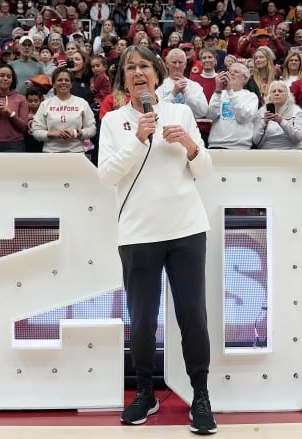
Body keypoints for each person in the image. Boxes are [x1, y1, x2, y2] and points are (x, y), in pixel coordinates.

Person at [97, 45, 216, 435]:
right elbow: (107, 176)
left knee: (192, 316)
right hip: (138, 233)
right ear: (123, 79)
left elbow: (205, 170)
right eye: (130, 68)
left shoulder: (181, 112)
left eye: (144, 65)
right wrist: (138, 139)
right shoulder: (114, 121)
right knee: (143, 319)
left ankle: (200, 395)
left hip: (185, 228)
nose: (137, 72)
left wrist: (190, 145)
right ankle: (145, 393)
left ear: (158, 73)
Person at [32, 67, 96, 154]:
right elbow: (36, 131)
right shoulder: (45, 104)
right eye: (59, 80)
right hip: (51, 153)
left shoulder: (82, 103)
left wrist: (77, 132)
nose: (63, 82)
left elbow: (92, 129)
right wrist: (53, 134)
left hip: (76, 153)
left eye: (67, 80)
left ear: (71, 84)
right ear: (53, 84)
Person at [206, 62, 259, 149]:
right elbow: (211, 115)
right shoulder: (220, 94)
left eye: (236, 72)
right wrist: (218, 90)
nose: (232, 74)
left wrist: (230, 92)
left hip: (240, 147)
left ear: (245, 78)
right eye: (230, 72)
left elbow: (243, 117)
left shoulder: (251, 97)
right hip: (216, 144)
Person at [155, 48, 208, 119]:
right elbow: (156, 110)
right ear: (167, 64)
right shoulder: (159, 86)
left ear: (185, 65)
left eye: (180, 62)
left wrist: (186, 93)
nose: (177, 66)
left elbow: (203, 111)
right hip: (166, 126)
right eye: (174, 62)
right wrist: (173, 93)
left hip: (188, 127)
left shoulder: (194, 86)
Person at [252, 80, 302, 150]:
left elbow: (298, 137)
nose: (276, 93)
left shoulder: (296, 111)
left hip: (291, 151)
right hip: (267, 152)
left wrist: (282, 122)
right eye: (273, 91)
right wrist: (264, 123)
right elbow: (255, 140)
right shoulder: (261, 112)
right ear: (270, 96)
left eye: (280, 91)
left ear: (287, 95)